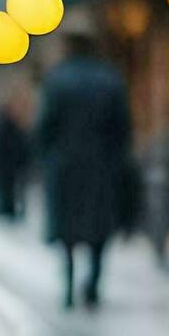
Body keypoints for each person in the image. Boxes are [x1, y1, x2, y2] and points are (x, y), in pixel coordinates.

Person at [35, 24, 132, 308]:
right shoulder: (109, 79)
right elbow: (122, 128)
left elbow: (44, 127)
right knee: (98, 228)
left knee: (67, 229)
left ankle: (67, 281)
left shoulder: (57, 80)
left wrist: (47, 158)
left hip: (65, 166)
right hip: (101, 166)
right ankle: (93, 282)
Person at [0, 93, 30, 220]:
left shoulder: (9, 124)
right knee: (4, 202)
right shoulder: (4, 125)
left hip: (9, 170)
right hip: (4, 170)